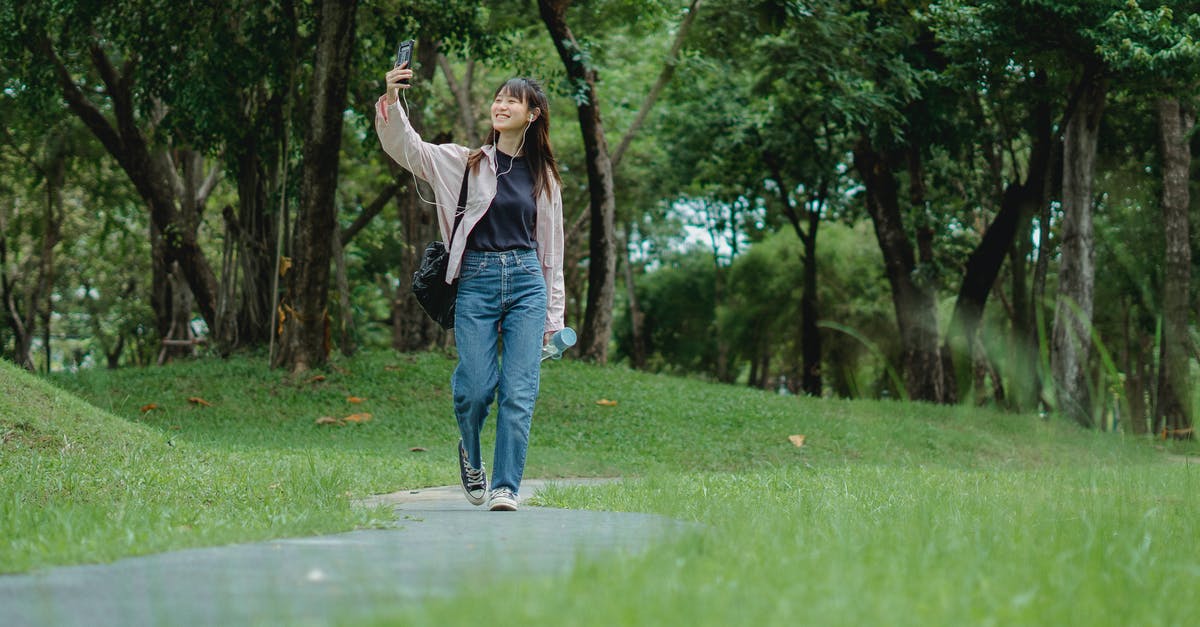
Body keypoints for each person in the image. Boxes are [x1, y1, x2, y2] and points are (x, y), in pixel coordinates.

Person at [376, 61, 565, 512]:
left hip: (526, 284)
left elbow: (551, 254)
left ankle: (506, 486)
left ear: (532, 114)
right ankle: (470, 452)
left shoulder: (544, 178)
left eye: (512, 100)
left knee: (519, 391)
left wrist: (553, 321)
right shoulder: (465, 162)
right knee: (477, 387)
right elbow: (409, 148)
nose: (501, 104)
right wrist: (392, 99)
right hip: (476, 282)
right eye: (498, 98)